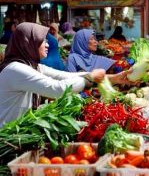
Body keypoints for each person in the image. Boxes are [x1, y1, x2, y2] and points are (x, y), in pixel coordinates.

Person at [0, 22, 130, 127]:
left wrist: (114, 78)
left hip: (17, 132)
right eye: (42, 40)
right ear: (28, 43)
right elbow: (58, 89)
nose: (47, 44)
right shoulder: (16, 69)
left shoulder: (33, 66)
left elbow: (66, 76)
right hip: (6, 137)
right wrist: (89, 79)